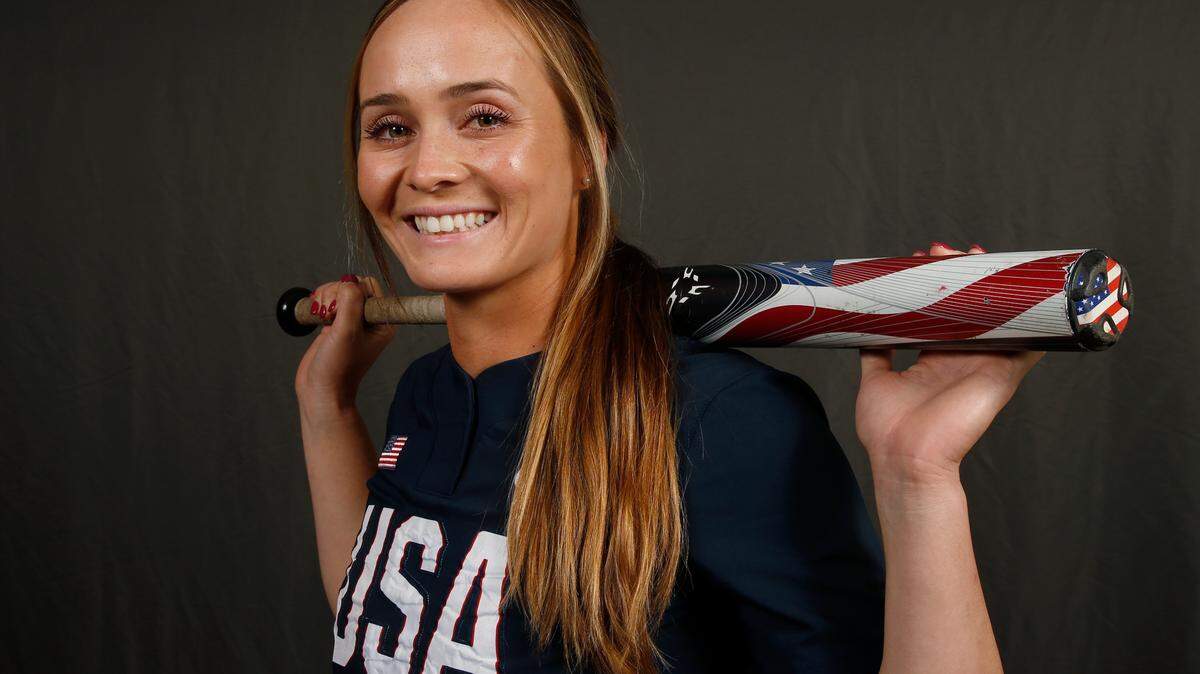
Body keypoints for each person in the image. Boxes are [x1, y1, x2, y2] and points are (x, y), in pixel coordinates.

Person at [293, 0, 1041, 672]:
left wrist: (917, 476)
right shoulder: (427, 392)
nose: (428, 169)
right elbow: (391, 635)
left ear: (587, 152)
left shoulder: (724, 419)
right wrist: (327, 409)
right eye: (391, 129)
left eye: (484, 117)